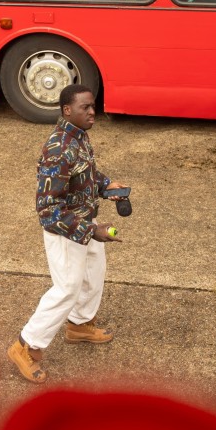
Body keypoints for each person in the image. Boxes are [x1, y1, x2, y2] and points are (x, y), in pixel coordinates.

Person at [7, 84, 129, 383]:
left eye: (93, 106)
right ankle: (26, 346)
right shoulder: (58, 148)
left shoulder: (79, 137)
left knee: (93, 274)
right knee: (66, 289)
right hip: (66, 231)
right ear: (66, 110)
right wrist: (91, 230)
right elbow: (48, 209)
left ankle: (79, 325)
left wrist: (106, 185)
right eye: (85, 107)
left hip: (86, 223)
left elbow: (85, 173)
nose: (92, 112)